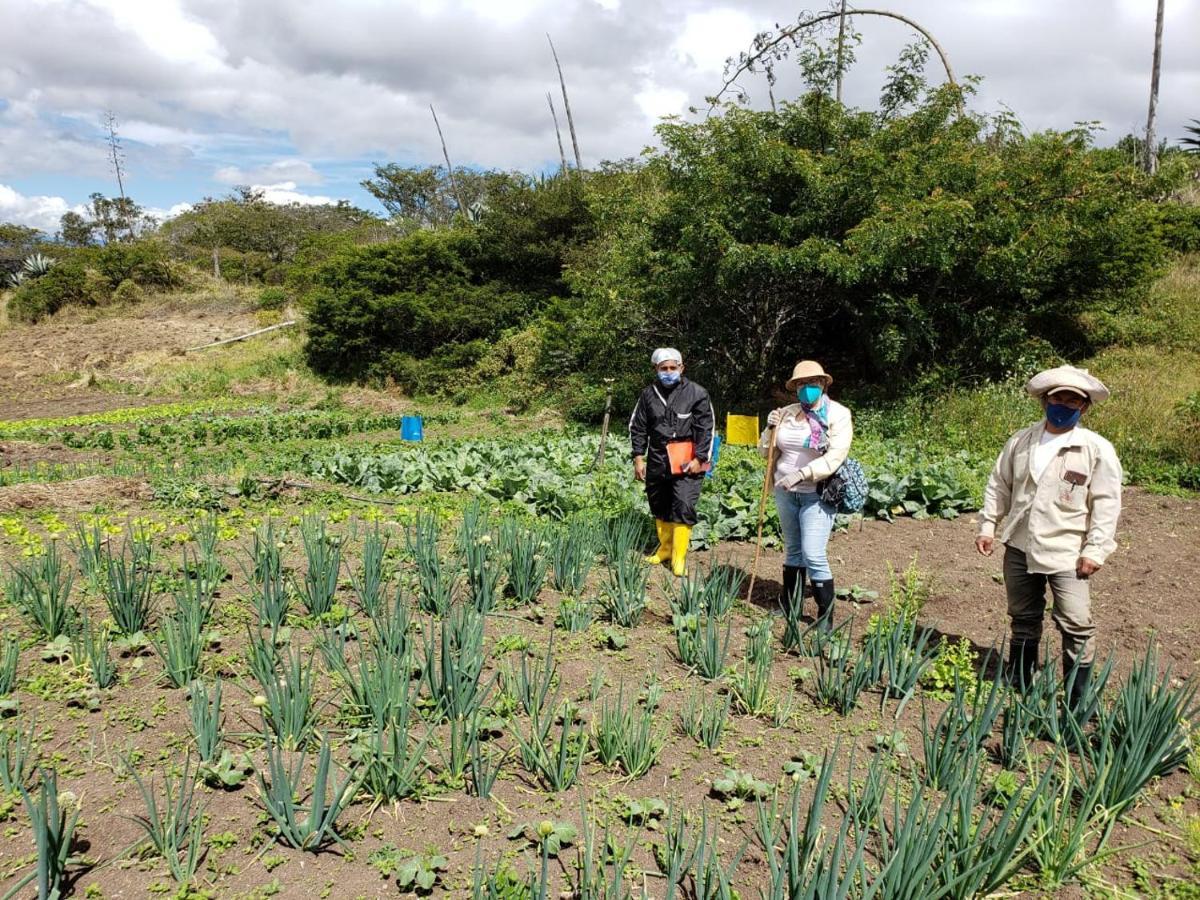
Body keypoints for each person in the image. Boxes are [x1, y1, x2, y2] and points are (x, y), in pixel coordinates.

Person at [975, 365, 1122, 714]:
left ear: (1084, 407)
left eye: (1074, 400)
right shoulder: (1021, 441)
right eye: (1058, 398)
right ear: (1045, 401)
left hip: (1068, 550)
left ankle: (1077, 699)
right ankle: (1021, 680)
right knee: (1023, 616)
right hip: (1020, 544)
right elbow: (999, 484)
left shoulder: (1095, 449)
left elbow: (1106, 502)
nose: (1065, 404)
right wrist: (987, 526)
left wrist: (1096, 549)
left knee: (1075, 621)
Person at [760, 361, 853, 630]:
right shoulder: (787, 414)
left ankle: (826, 615)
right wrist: (768, 429)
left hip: (817, 493)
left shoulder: (838, 414)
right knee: (793, 550)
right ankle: (790, 605)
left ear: (823, 384)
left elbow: (836, 456)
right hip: (785, 492)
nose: (806, 388)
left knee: (813, 553)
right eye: (801, 384)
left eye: (812, 383)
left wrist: (802, 474)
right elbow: (765, 452)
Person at [628, 348, 715, 577]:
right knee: (659, 503)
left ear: (681, 368)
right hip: (657, 457)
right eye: (663, 368)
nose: (668, 372)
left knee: (684, 504)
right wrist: (638, 458)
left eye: (672, 368)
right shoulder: (648, 395)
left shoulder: (697, 393)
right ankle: (665, 549)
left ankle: (678, 557)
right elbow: (637, 427)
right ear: (656, 370)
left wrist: (700, 458)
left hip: (687, 459)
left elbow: (707, 428)